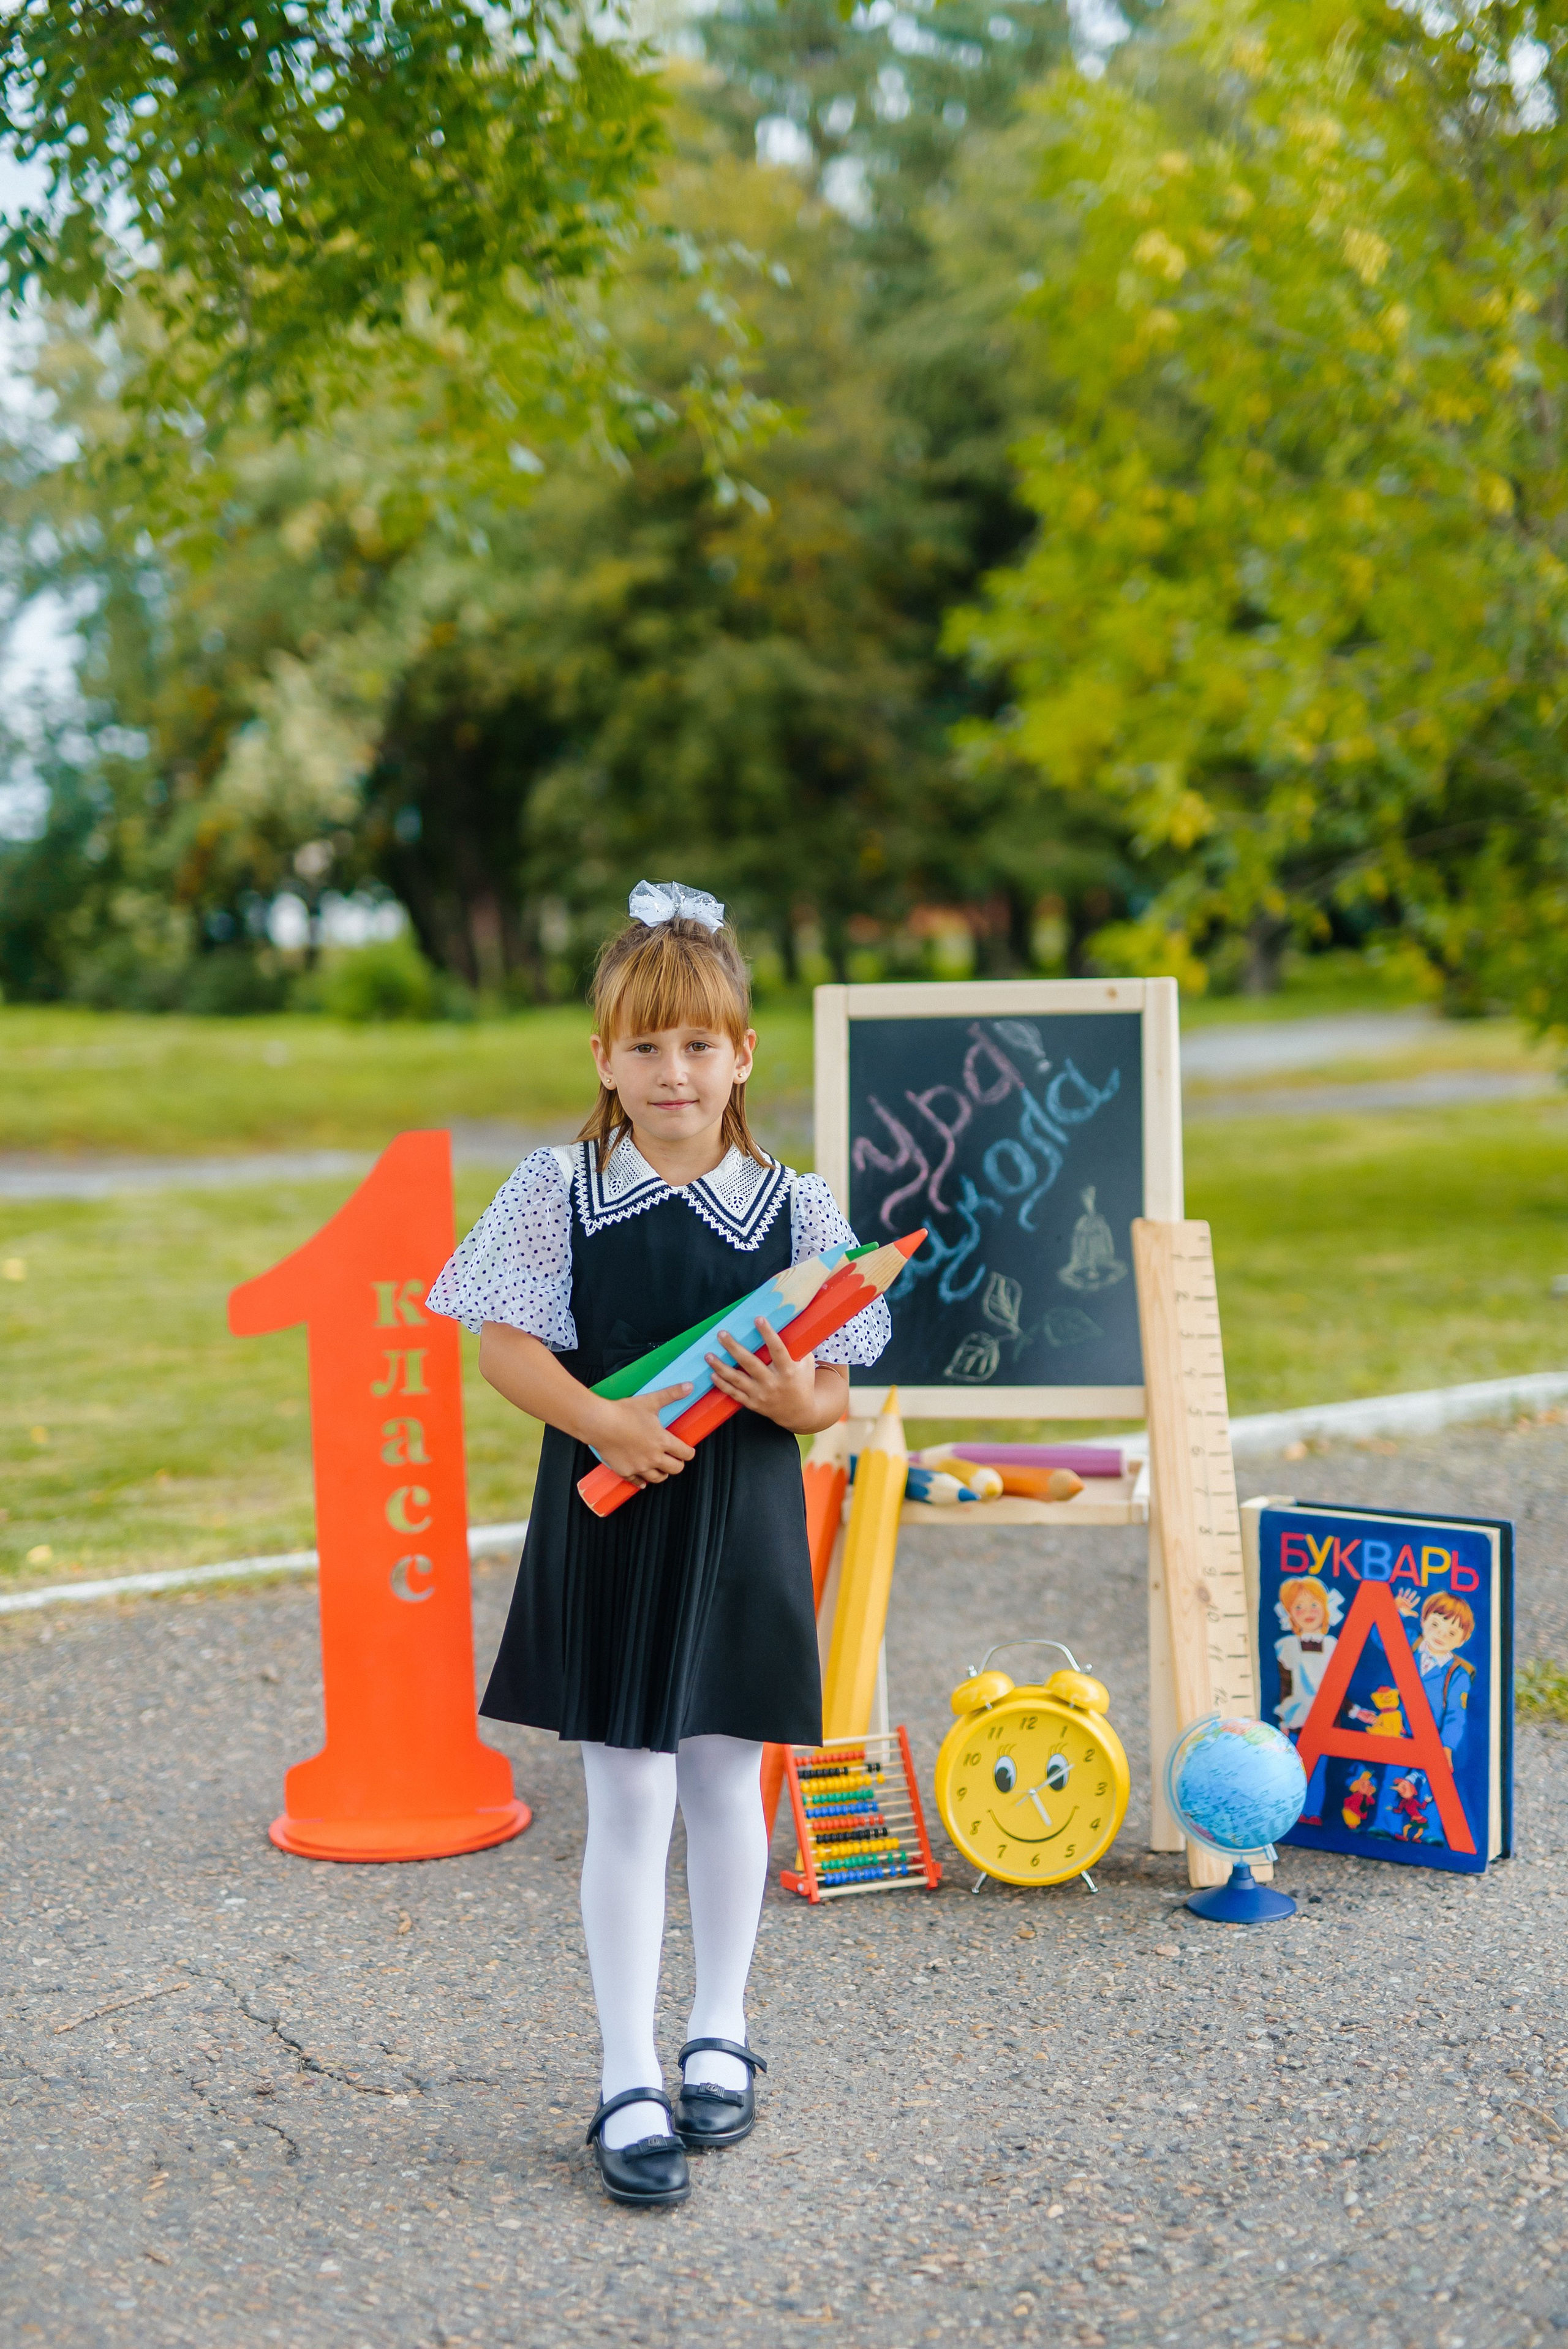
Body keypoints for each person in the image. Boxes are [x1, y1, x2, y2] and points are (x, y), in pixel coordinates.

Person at [427, 881, 889, 2208]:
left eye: (698, 1045)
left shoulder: (797, 1210)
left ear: (743, 1051)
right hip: (612, 1511)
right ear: (603, 1059)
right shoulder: (555, 1186)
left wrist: (785, 1397)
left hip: (736, 1519)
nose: (671, 1071)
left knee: (726, 1784)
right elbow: (504, 1345)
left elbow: (828, 1395)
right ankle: (626, 2068)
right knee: (625, 1795)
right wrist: (605, 1423)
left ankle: (717, 2028)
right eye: (644, 1046)